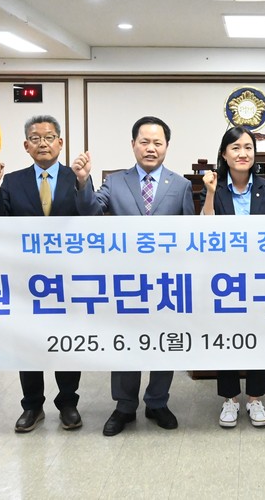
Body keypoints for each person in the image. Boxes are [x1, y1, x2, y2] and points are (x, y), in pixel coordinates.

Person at [71, 116, 194, 436]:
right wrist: (83, 182)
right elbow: (91, 213)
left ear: (167, 146)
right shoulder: (114, 182)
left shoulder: (180, 185)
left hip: (166, 282)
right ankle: (124, 406)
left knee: (164, 342)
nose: (151, 148)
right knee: (125, 343)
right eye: (145, 142)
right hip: (126, 282)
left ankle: (157, 402)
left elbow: (190, 236)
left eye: (158, 143)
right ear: (133, 145)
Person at [0, 115, 82, 433]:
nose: (43, 143)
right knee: (28, 343)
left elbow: (91, 217)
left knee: (67, 342)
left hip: (68, 277)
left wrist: (85, 183)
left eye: (49, 137)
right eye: (36, 138)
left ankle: (68, 403)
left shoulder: (75, 177)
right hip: (26, 279)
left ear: (60, 143)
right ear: (26, 146)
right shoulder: (12, 181)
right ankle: (32, 405)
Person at [201, 126, 265, 428]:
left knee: (258, 334)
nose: (243, 153)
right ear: (224, 154)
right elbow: (204, 229)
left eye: (248, 147)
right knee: (227, 335)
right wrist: (210, 194)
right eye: (235, 147)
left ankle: (255, 398)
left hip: (259, 275)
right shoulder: (214, 186)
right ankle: (230, 399)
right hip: (224, 277)